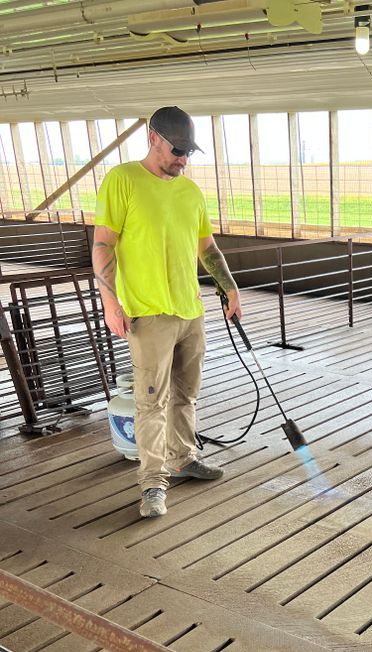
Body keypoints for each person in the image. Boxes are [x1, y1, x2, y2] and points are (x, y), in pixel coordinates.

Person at [93, 106, 241, 518]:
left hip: (190, 311)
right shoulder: (123, 180)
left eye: (188, 152)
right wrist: (110, 303)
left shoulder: (190, 192)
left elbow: (207, 248)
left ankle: (183, 458)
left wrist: (229, 287)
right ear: (153, 138)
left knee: (185, 395)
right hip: (148, 314)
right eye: (177, 150)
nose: (183, 159)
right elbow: (103, 244)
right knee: (151, 403)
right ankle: (152, 484)